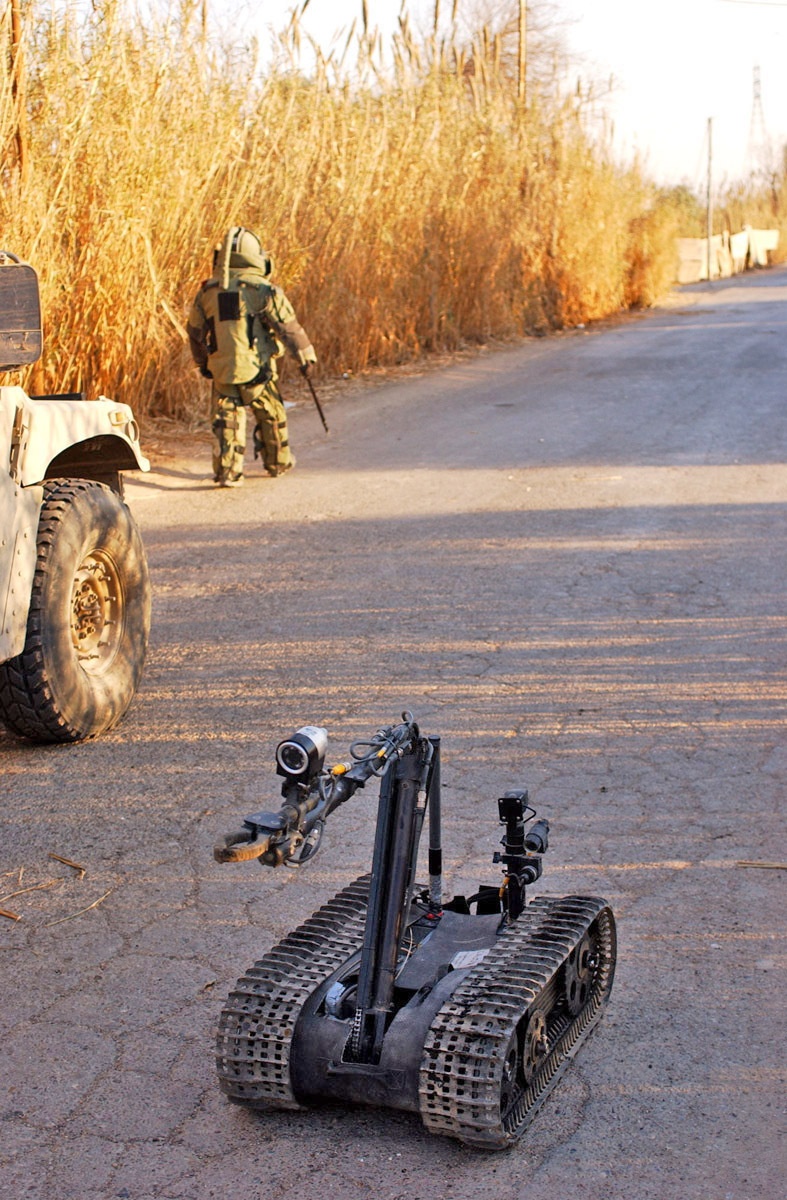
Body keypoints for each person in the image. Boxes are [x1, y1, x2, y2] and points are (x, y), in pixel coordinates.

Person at [187, 227, 317, 487]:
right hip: (258, 368)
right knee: (271, 415)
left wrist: (203, 363)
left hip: (222, 368)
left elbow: (195, 333)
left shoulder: (208, 292)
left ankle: (228, 472)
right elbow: (288, 328)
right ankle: (277, 462)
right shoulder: (263, 290)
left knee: (227, 421)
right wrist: (305, 358)